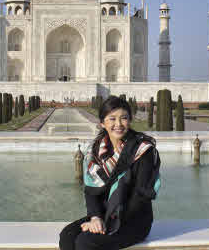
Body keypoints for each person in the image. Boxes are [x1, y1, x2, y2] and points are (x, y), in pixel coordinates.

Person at [59, 96, 161, 250]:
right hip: (105, 213)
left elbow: (140, 196)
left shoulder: (143, 150)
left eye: (124, 118)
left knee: (85, 242)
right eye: (112, 119)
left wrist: (107, 221)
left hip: (133, 220)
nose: (118, 124)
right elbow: (91, 191)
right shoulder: (97, 150)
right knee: (67, 235)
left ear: (130, 120)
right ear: (102, 123)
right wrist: (95, 217)